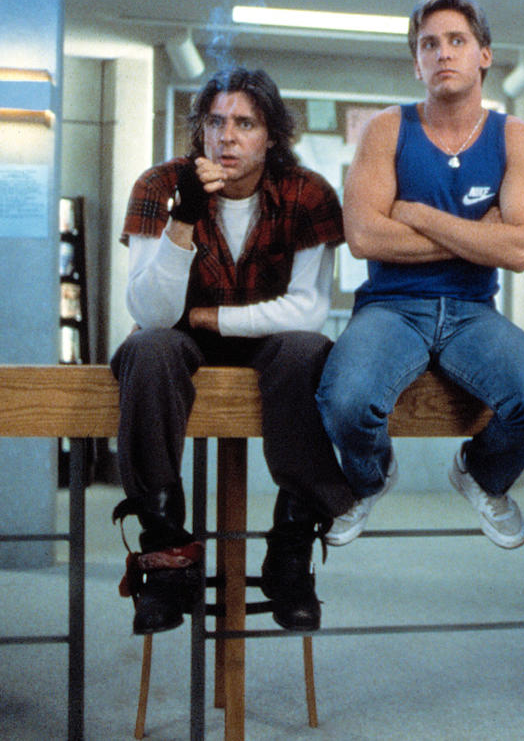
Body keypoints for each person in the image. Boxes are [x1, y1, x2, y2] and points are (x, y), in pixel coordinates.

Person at [316, 0, 524, 550]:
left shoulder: (517, 138)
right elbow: (362, 237)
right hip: (391, 307)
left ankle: (481, 475)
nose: (443, 54)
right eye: (429, 44)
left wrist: (417, 215)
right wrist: (479, 235)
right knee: (346, 401)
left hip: (472, 312)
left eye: (457, 40)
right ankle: (371, 476)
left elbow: (520, 251)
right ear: (416, 62)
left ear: (484, 54)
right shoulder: (387, 129)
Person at [112, 67, 354, 634]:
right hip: (179, 339)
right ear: (200, 131)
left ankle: (289, 553)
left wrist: (211, 315)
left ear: (271, 136)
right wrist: (184, 222)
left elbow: (307, 310)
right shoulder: (160, 186)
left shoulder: (307, 191)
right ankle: (167, 554)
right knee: (147, 349)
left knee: (308, 349)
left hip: (268, 340)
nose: (227, 137)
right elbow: (150, 313)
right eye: (215, 122)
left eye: (245, 123)